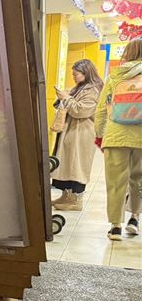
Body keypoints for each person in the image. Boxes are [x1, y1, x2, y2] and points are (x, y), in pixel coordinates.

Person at [95, 37, 142, 240]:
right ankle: (134, 218)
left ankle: (115, 226)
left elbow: (101, 109)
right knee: (138, 179)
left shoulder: (116, 75)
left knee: (115, 182)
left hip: (116, 135)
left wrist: (99, 133)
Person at [50, 60, 103, 211]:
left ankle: (76, 201)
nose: (73, 77)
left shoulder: (93, 90)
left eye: (76, 74)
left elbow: (81, 111)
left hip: (82, 133)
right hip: (72, 132)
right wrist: (63, 97)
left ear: (86, 73)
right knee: (67, 164)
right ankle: (66, 196)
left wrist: (65, 98)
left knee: (76, 166)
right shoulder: (80, 87)